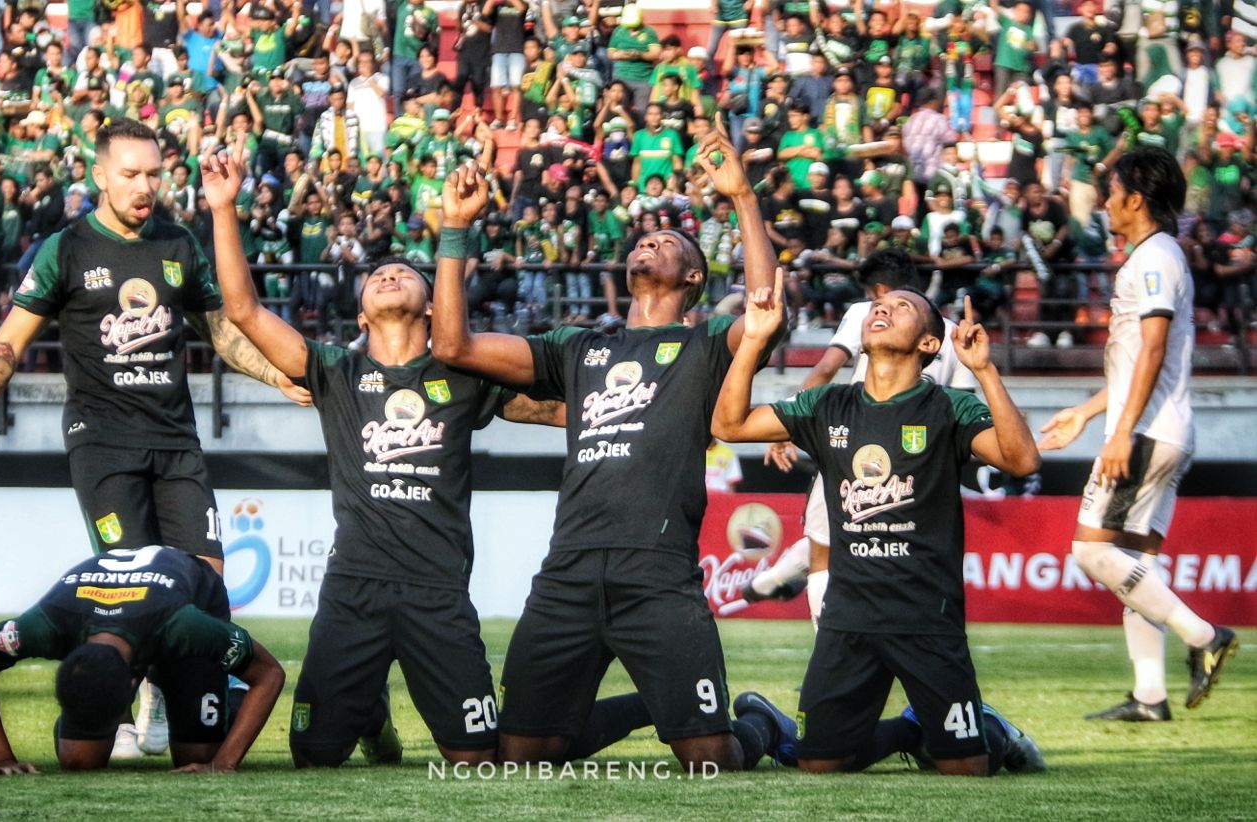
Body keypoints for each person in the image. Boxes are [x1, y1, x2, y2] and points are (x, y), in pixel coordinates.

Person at [430, 118, 796, 772]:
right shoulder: (579, 346)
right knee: (517, 755)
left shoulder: (704, 346)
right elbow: (453, 347)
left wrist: (743, 199)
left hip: (656, 570)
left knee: (710, 758)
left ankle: (758, 729)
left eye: (667, 240)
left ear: (692, 279)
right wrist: (454, 230)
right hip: (568, 567)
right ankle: (657, 707)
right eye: (644, 237)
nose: (648, 241)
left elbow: (769, 312)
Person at [200, 133, 576, 767]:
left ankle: (371, 697)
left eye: (405, 272)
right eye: (378, 274)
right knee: (313, 755)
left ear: (433, 306)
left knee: (476, 758)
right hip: (354, 589)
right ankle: (367, 708)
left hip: (438, 590)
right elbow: (242, 309)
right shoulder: (334, 372)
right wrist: (221, 209)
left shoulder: (466, 375)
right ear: (362, 314)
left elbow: (563, 410)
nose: (391, 274)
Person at [0, 118, 306, 757]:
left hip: (176, 442)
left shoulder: (179, 243)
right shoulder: (67, 249)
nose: (145, 187)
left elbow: (221, 333)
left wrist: (276, 375)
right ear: (100, 176)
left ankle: (177, 705)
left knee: (207, 584)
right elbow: (6, 343)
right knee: (137, 587)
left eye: (155, 175)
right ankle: (125, 702)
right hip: (102, 444)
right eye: (131, 175)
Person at [712, 264, 1046, 776]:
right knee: (818, 763)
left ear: (931, 344)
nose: (883, 309)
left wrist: (984, 370)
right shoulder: (828, 403)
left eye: (903, 307)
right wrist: (753, 341)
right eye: (880, 306)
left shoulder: (950, 405)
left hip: (925, 614)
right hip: (849, 614)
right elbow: (729, 424)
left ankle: (984, 732)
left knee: (968, 770)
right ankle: (912, 730)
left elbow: (1022, 461)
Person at [1038, 146, 1240, 722]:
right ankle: (1150, 696)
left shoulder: (1152, 258)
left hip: (1148, 431)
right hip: (1166, 427)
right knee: (1134, 568)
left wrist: (1121, 433)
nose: (1104, 201)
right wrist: (1088, 411)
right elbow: (1140, 364)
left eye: (1112, 191)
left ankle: (1204, 636)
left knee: (1091, 552)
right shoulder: (1162, 255)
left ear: (1135, 199)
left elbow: (1152, 347)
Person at [746, 248, 977, 609]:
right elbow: (963, 403)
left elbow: (826, 368)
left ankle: (814, 627)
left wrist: (788, 427)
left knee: (825, 543)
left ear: (880, 289)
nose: (878, 308)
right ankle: (771, 581)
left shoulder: (867, 312)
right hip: (921, 460)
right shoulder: (951, 332)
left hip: (854, 436)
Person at [0, 545, 285, 773]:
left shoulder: (186, 626)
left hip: (189, 602)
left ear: (131, 685)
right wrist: (1, 758)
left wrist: (223, 764)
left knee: (197, 755)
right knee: (79, 762)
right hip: (125, 617)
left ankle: (222, 695)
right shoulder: (45, 624)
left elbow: (268, 673)